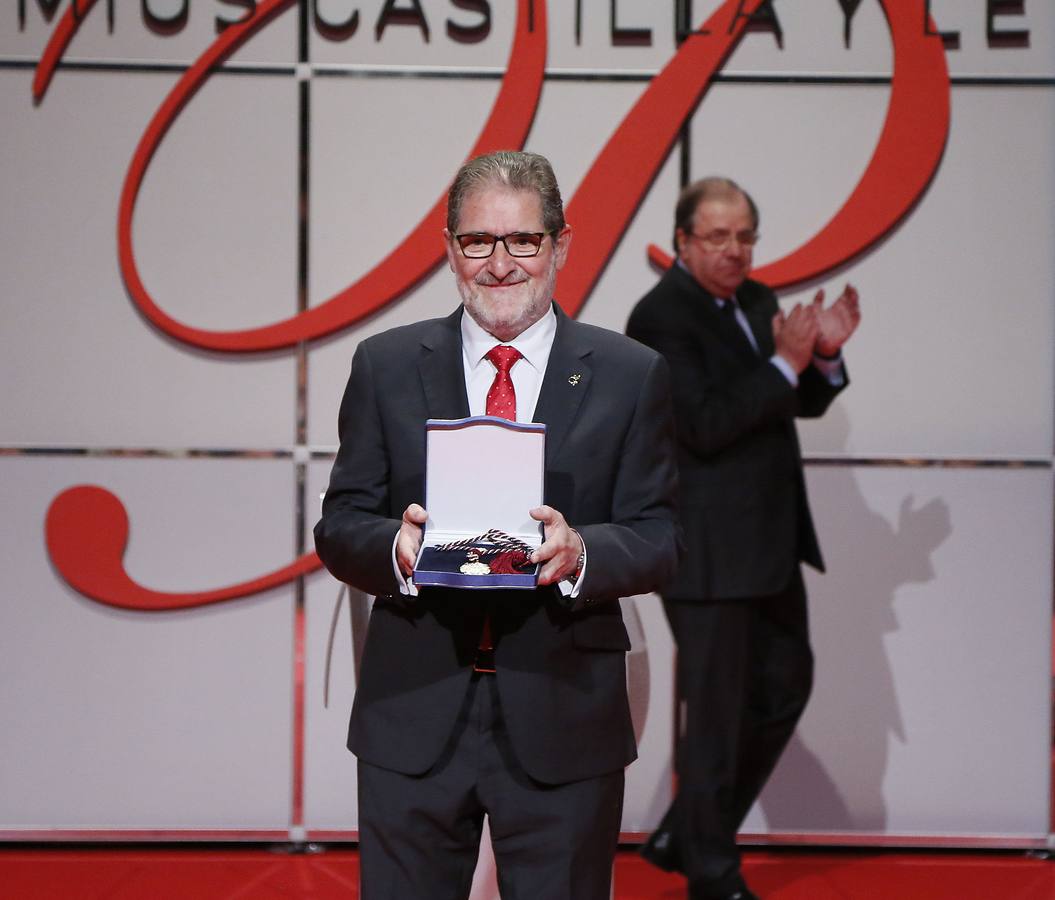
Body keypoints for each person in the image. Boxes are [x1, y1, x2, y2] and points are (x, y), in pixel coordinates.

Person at [314, 150, 680, 900]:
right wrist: (395, 545)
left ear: (560, 244)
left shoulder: (629, 373)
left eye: (522, 241)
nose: (500, 263)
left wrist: (581, 551)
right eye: (478, 241)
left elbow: (659, 537)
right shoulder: (384, 364)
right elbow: (340, 522)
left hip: (565, 717)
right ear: (450, 248)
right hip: (411, 714)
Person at [625, 177, 861, 900]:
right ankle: (711, 871)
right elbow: (701, 425)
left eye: (744, 237)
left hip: (769, 541)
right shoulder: (660, 319)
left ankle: (689, 831)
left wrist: (820, 357)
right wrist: (784, 364)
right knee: (717, 718)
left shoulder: (757, 302)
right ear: (685, 242)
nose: (734, 251)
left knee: (786, 684)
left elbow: (795, 399)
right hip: (706, 553)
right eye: (718, 238)